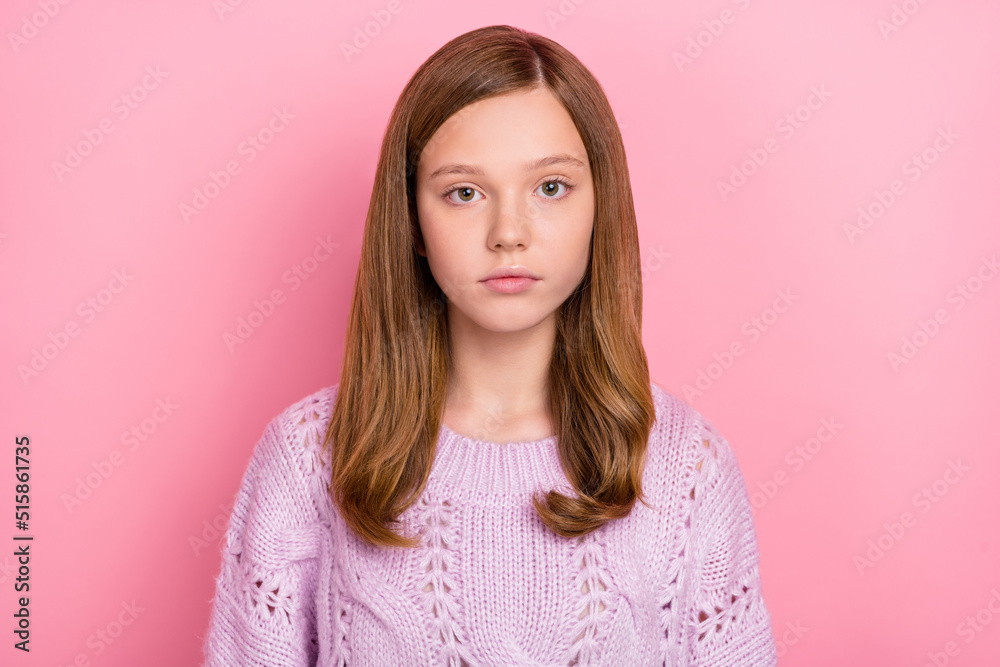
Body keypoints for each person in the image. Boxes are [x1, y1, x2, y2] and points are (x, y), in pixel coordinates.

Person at [202, 24, 777, 666]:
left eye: (550, 187)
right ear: (414, 222)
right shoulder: (308, 459)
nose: (509, 232)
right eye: (464, 193)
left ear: (600, 204)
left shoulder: (686, 468)